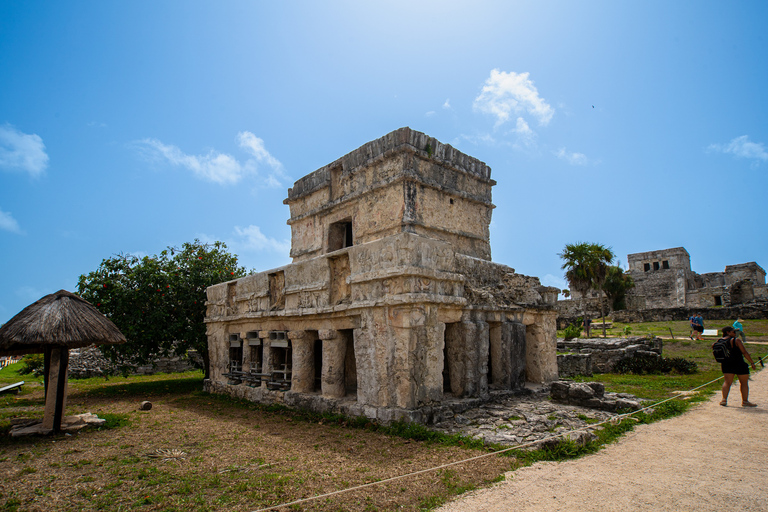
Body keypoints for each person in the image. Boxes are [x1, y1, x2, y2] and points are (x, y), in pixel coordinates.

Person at [717, 326, 757, 407]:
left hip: (726, 364)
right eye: (733, 332)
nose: (735, 333)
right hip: (739, 363)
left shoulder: (720, 341)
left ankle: (724, 399)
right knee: (744, 383)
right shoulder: (736, 340)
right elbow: (744, 352)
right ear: (728, 332)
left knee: (727, 382)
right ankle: (745, 401)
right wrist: (752, 362)